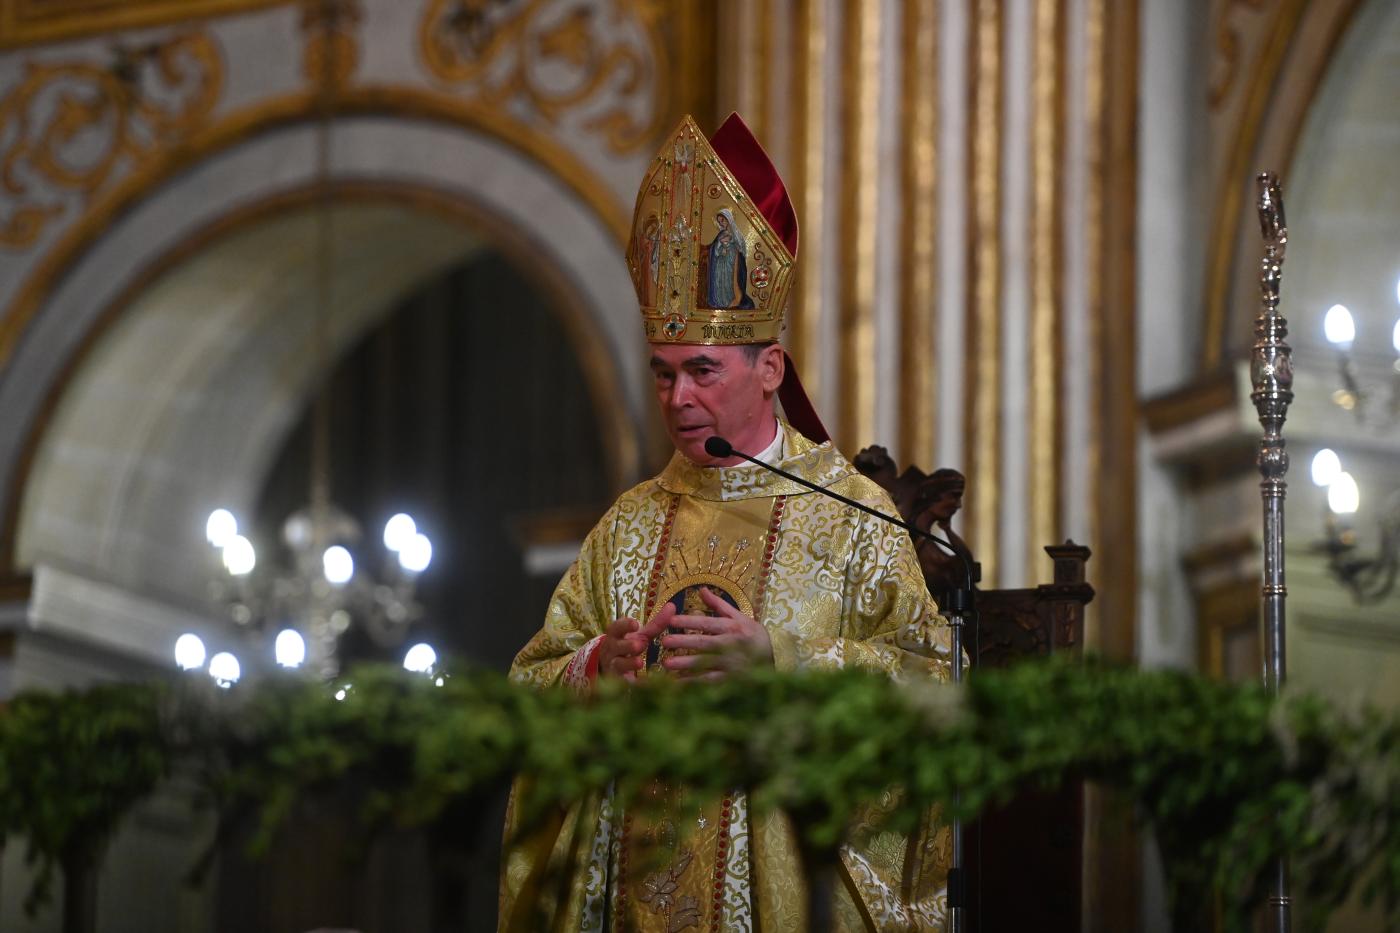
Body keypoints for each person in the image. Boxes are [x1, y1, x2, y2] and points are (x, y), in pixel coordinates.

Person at [500, 113, 955, 932]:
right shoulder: (630, 525)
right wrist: (597, 670)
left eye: (703, 370)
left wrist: (784, 662)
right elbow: (528, 687)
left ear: (768, 367)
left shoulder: (851, 517)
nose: (678, 398)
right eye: (664, 373)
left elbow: (935, 689)